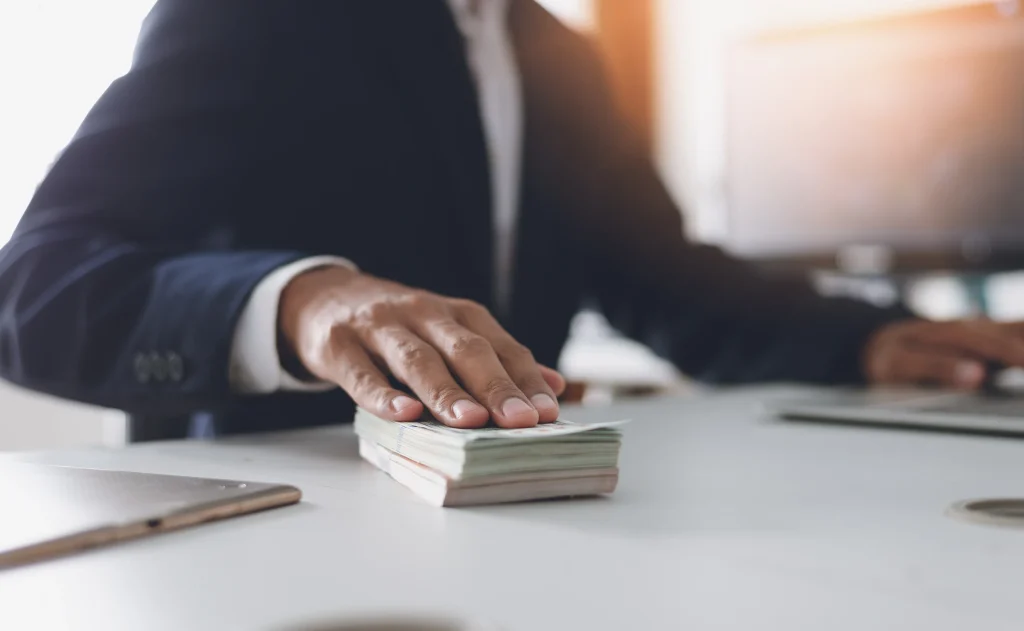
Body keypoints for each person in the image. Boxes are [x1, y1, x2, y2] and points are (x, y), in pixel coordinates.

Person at [1, 0, 1022, 439]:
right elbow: (34, 285)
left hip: (530, 537)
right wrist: (297, 302)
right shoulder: (269, 11)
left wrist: (867, 336)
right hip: (282, 544)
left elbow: (666, 282)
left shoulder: (560, 56)